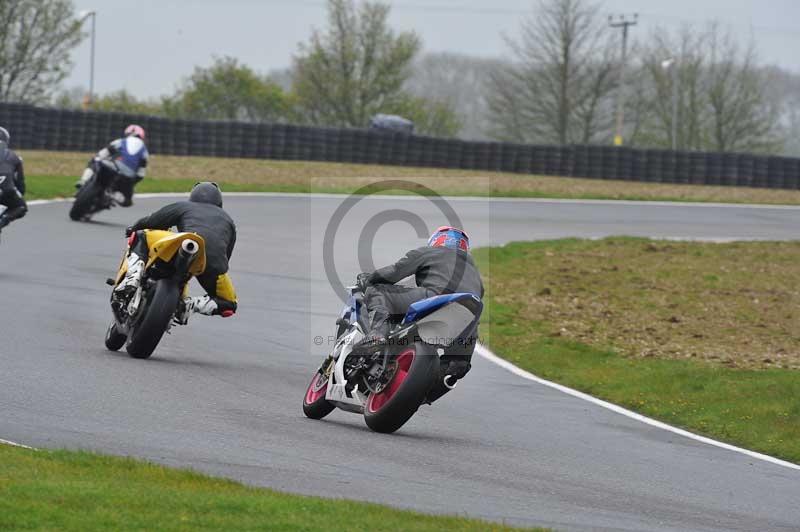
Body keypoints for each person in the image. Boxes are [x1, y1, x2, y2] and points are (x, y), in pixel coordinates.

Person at [356, 226, 484, 378]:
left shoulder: (430, 251)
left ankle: (377, 333)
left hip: (434, 297)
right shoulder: (475, 273)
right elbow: (476, 311)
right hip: (466, 318)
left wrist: (369, 279)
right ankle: (443, 377)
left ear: (437, 239)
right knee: (456, 366)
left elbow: (394, 272)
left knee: (377, 290)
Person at [114, 182, 237, 322]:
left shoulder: (185, 206)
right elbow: (227, 255)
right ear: (219, 202)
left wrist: (134, 228)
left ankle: (132, 277)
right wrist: (214, 268)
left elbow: (153, 220)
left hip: (182, 243)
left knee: (141, 236)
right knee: (229, 304)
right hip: (212, 261)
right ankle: (189, 305)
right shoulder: (228, 221)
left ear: (193, 197)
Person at [77, 124, 149, 207]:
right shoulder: (144, 151)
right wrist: (132, 183)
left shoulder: (121, 141)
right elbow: (141, 173)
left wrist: (97, 159)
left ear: (127, 133)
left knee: (94, 161)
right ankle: (113, 196)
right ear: (141, 136)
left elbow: (104, 152)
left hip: (112, 166)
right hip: (128, 176)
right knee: (128, 202)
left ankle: (83, 181)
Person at [0, 126, 28, 235]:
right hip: (5, 188)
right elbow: (21, 186)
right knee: (21, 206)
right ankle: (3, 219)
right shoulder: (15, 156)